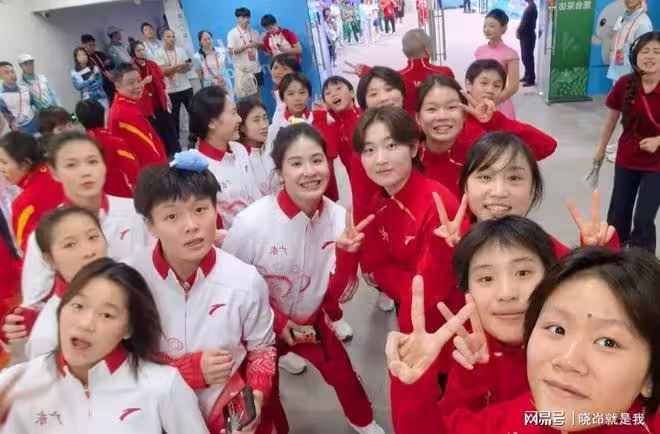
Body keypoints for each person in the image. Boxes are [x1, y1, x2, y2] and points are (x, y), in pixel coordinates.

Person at [388, 246, 660, 433]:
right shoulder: (522, 416)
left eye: (607, 342)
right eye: (557, 329)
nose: (567, 361)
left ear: (650, 377)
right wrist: (414, 388)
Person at [223, 123, 385, 434]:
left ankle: (362, 420)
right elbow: (232, 285)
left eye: (317, 160)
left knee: (343, 374)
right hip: (261, 328)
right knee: (264, 394)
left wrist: (347, 255)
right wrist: (278, 322)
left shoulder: (339, 219)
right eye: (296, 163)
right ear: (280, 173)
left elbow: (340, 294)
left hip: (312, 320)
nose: (309, 171)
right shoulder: (251, 223)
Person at [131, 157, 278, 433]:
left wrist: (256, 397)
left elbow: (262, 348)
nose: (191, 225)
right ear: (150, 225)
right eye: (172, 216)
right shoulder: (132, 282)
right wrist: (187, 370)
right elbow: (125, 356)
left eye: (200, 209)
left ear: (215, 209)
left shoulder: (245, 280)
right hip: (158, 416)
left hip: (226, 410)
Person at [0, 257, 209, 433]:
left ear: (128, 329)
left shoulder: (163, 385)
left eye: (107, 315)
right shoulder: (13, 386)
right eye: (78, 305)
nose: (86, 323)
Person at [391, 216, 557, 434]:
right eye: (486, 278)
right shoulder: (470, 353)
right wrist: (414, 388)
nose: (507, 293)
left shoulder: (577, 354)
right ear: (467, 291)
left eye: (523, 273)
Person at [20, 131, 151, 307]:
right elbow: (34, 302)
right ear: (54, 172)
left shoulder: (135, 212)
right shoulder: (46, 233)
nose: (85, 172)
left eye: (92, 161)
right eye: (71, 165)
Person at [415, 74, 556, 198]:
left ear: (464, 115)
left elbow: (545, 146)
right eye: (432, 109)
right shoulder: (408, 157)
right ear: (418, 118)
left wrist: (493, 121)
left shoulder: (478, 150)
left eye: (452, 107)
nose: (442, 116)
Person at [593, 31, 660, 253]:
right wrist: (600, 149)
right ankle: (615, 257)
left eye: (657, 52)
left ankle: (642, 264)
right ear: (635, 55)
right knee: (618, 214)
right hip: (627, 158)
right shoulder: (624, 83)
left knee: (644, 217)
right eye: (645, 51)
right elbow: (611, 120)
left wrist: (658, 141)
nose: (650, 56)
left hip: (656, 164)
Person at [19, 206, 109, 359]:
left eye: (93, 237)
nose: (89, 252)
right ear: (49, 259)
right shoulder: (48, 338)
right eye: (70, 245)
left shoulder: (130, 285)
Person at [189, 86, 262, 229]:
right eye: (233, 113)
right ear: (212, 123)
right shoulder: (198, 169)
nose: (239, 119)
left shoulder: (239, 149)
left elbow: (255, 195)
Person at [346, 29, 455, 115]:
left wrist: (368, 72)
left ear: (404, 52)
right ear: (428, 49)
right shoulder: (444, 72)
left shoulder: (397, 77)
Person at [272, 72, 341, 202]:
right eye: (291, 94)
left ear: (309, 95)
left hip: (325, 186)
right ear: (283, 98)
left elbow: (332, 153)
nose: (297, 98)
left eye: (302, 92)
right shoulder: (279, 126)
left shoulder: (321, 117)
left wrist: (320, 119)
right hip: (298, 188)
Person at [604, 0, 652, 163]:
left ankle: (625, 148)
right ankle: (620, 143)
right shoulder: (626, 17)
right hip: (619, 72)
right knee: (621, 111)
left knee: (631, 114)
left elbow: (644, 55)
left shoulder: (643, 23)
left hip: (632, 75)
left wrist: (640, 77)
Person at [0, 132, 62, 255]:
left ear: (25, 164)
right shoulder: (59, 167)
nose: (1, 169)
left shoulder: (24, 204)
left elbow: (29, 253)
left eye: (4, 163)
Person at [75, 99, 139, 198]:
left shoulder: (79, 146)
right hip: (123, 195)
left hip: (97, 197)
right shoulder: (117, 143)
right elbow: (133, 171)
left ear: (81, 121)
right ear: (103, 115)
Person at [108, 63, 168, 166]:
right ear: (117, 86)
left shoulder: (126, 106)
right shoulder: (124, 114)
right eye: (131, 83)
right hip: (149, 172)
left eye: (139, 81)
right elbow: (148, 152)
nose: (138, 86)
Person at [129, 40, 178, 157]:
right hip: (145, 105)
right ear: (133, 52)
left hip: (159, 100)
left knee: (168, 127)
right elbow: (131, 87)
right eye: (138, 50)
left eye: (143, 49)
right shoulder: (131, 68)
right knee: (156, 131)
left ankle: (175, 152)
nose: (142, 52)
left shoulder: (152, 64)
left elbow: (161, 82)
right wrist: (144, 82)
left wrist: (167, 98)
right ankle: (163, 155)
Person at [475, 9, 520, 118]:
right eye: (485, 26)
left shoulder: (510, 54)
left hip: (500, 103)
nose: (486, 29)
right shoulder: (479, 51)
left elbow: (513, 86)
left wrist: (494, 102)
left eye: (491, 26)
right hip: (481, 102)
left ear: (503, 28)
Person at [154, 28, 193, 150]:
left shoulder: (180, 50)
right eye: (168, 36)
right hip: (170, 91)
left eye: (173, 36)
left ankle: (193, 140)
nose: (172, 39)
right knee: (173, 119)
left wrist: (172, 68)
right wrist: (178, 66)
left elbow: (187, 68)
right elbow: (163, 71)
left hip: (186, 87)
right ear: (162, 39)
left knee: (193, 113)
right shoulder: (158, 53)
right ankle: (177, 146)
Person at [236, 99, 278, 196]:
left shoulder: (273, 147)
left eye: (265, 118)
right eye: (256, 120)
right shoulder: (239, 160)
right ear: (242, 127)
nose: (264, 125)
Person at [228, 7, 264, 99]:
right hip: (242, 71)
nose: (246, 20)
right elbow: (231, 51)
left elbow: (261, 47)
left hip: (256, 69)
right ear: (237, 18)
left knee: (258, 98)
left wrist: (256, 45)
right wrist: (246, 47)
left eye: (248, 17)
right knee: (243, 99)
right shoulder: (232, 33)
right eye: (243, 17)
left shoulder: (255, 32)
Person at [0, 61, 37, 134]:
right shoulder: (1, 95)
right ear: (0, 77)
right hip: (18, 130)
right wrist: (12, 123)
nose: (11, 75)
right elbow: (5, 114)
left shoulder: (26, 88)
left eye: (12, 71)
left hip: (34, 125)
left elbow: (33, 104)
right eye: (7, 73)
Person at [193, 30, 233, 95]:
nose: (208, 41)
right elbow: (200, 76)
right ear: (200, 42)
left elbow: (228, 62)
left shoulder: (221, 50)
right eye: (205, 40)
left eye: (209, 38)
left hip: (225, 82)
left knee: (229, 99)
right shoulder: (197, 57)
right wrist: (212, 80)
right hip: (210, 86)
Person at [81, 34, 115, 103]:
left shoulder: (99, 54)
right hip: (97, 87)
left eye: (94, 45)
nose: (93, 47)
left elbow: (111, 65)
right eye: (90, 45)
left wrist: (109, 63)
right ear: (84, 45)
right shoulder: (83, 60)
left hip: (108, 83)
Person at [269, 54, 302, 125]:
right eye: (275, 68)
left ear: (294, 73)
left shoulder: (296, 98)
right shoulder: (278, 94)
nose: (278, 72)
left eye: (285, 69)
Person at [517, 0, 538, 86]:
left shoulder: (531, 9)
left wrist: (518, 32)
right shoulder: (531, 7)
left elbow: (525, 24)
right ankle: (527, 75)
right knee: (526, 57)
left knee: (527, 58)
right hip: (527, 35)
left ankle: (531, 79)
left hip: (527, 36)